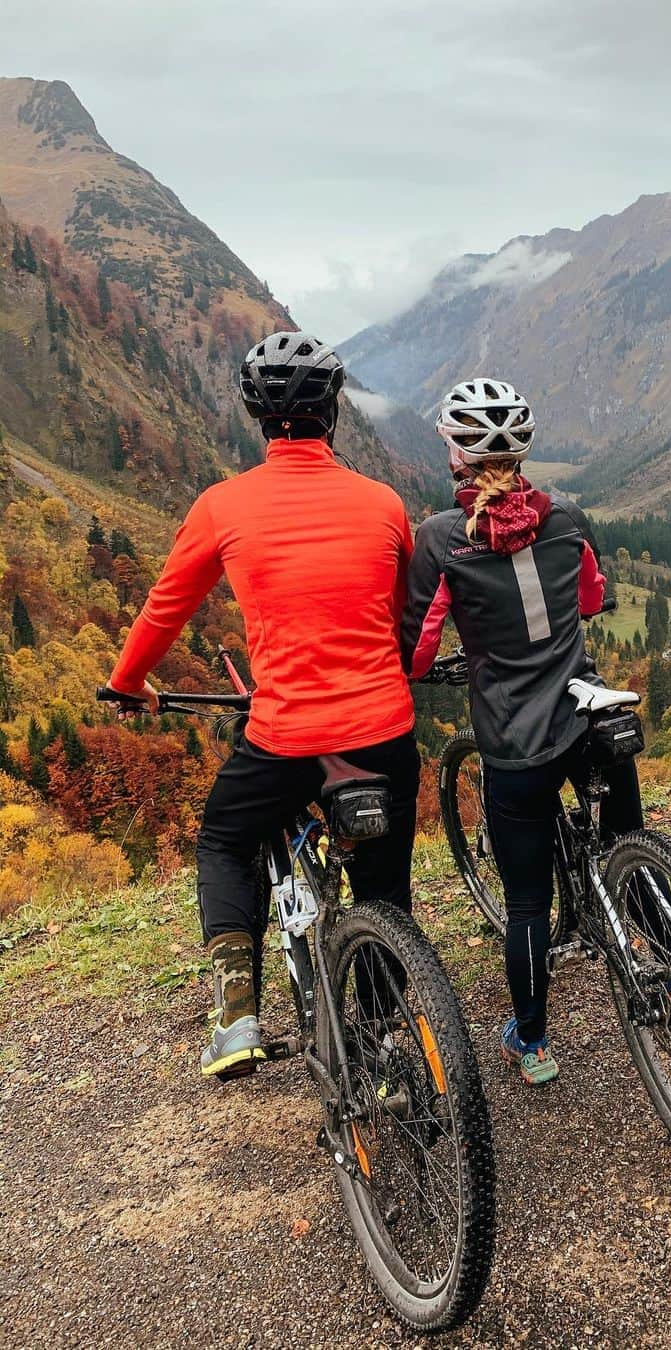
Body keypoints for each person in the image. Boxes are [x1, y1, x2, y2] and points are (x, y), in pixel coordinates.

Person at [104, 331, 418, 1079]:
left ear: (256, 416)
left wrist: (126, 682)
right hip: (384, 732)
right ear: (332, 412)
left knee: (222, 839)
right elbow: (400, 617)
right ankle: (379, 1040)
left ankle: (238, 1012)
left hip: (286, 739)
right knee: (386, 892)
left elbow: (164, 608)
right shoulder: (383, 503)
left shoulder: (223, 505)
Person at [400, 378, 645, 1086]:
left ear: (456, 455)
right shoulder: (567, 516)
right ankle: (658, 948)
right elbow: (592, 600)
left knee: (529, 902)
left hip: (516, 739)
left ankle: (532, 1043)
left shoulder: (443, 540)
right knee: (629, 844)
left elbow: (417, 653)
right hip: (590, 710)